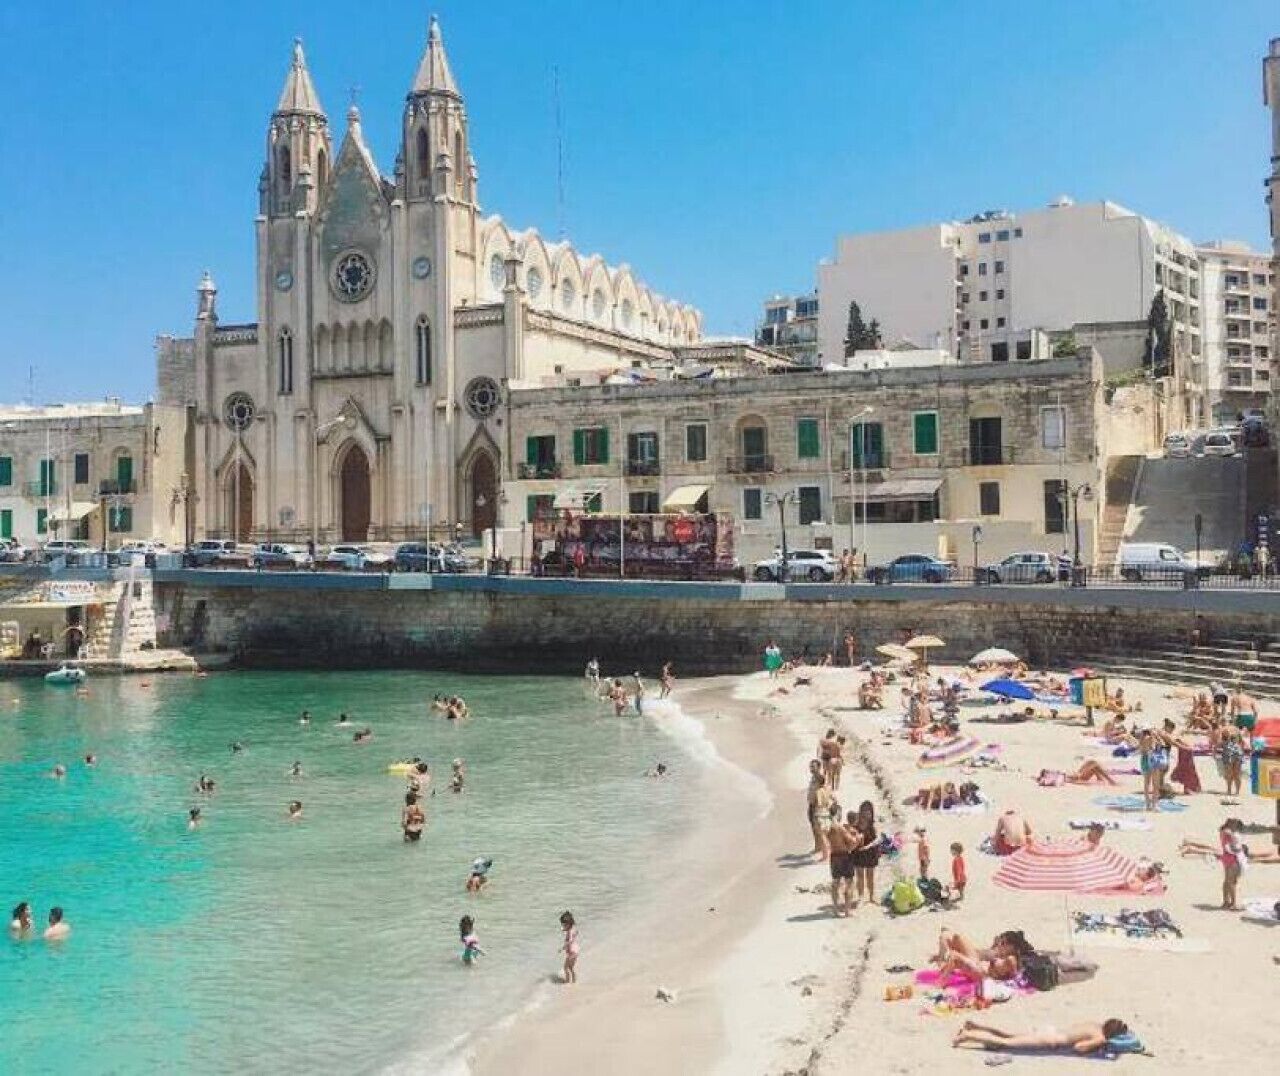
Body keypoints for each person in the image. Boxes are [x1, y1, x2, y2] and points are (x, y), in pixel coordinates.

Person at [953, 1018, 1134, 1056]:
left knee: (1010, 1034)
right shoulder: (1099, 1035)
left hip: (1050, 1028)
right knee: (1006, 1042)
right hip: (1049, 1040)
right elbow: (1078, 1048)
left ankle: (976, 1025)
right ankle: (968, 1035)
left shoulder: (1095, 1024)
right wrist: (1099, 1044)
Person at [935, 928, 1033, 984]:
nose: (1001, 944)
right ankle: (943, 962)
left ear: (1013, 947)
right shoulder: (1004, 957)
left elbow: (1014, 977)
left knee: (953, 949)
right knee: (950, 938)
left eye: (1004, 943)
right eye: (1001, 942)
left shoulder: (1010, 960)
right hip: (978, 966)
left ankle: (942, 972)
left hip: (980, 970)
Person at [826, 811, 858, 916]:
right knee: (849, 883)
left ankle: (835, 909)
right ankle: (847, 911)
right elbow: (852, 842)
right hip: (844, 856)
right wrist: (857, 839)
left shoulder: (828, 827)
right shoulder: (840, 828)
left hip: (834, 856)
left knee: (835, 883)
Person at [848, 800, 881, 905]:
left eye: (869, 811)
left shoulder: (873, 825)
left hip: (871, 851)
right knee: (860, 875)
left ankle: (872, 896)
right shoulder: (856, 823)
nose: (867, 813)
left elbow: (878, 839)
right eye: (865, 811)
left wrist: (868, 846)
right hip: (859, 852)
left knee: (870, 875)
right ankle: (861, 896)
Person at [1163, 719, 1202, 795]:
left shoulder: (1168, 734)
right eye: (1171, 730)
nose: (1172, 731)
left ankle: (1160, 787)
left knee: (1185, 771)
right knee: (1185, 771)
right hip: (1166, 755)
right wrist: (1186, 748)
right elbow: (1174, 743)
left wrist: (1186, 747)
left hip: (1178, 755)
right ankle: (1159, 788)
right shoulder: (1166, 735)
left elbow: (1176, 742)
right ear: (1168, 727)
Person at [1138, 729, 1169, 811]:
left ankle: (1148, 804)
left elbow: (1142, 750)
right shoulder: (1150, 739)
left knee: (1147, 783)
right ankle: (1154, 805)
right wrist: (1156, 736)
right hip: (1152, 760)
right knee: (1155, 784)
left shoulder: (1142, 739)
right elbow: (1162, 745)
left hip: (1145, 760)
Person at [1219, 817, 1246, 910]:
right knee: (1232, 882)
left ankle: (1226, 902)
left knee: (1227, 881)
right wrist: (1239, 850)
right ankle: (1234, 904)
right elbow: (1229, 847)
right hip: (1233, 858)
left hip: (1226, 858)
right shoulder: (1229, 833)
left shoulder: (1223, 831)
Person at [806, 764, 832, 861]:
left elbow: (818, 802)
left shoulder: (819, 790)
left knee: (822, 834)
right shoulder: (818, 783)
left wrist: (813, 801)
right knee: (821, 832)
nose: (811, 768)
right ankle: (820, 849)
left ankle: (825, 855)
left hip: (818, 812)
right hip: (824, 811)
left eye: (813, 766)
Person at [1218, 726, 1246, 799]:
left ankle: (1231, 791)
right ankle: (1234, 791)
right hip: (1235, 754)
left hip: (1231, 754)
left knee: (1231, 774)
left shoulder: (1224, 729)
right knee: (1235, 774)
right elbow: (1242, 742)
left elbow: (1219, 744)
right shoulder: (1235, 729)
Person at [559, 911, 580, 984]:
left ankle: (567, 982)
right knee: (571, 968)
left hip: (571, 951)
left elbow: (570, 941)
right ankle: (574, 981)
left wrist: (563, 947)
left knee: (565, 968)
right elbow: (576, 932)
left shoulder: (570, 931)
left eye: (564, 924)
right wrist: (565, 930)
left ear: (568, 924)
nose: (562, 925)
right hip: (576, 950)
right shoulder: (573, 929)